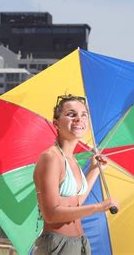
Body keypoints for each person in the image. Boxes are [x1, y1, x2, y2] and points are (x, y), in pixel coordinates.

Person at [32, 94, 118, 255]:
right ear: (56, 123)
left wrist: (93, 170)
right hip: (58, 245)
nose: (79, 119)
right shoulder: (51, 158)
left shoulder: (72, 160)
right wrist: (99, 207)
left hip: (81, 243)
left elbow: (75, 202)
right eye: (71, 114)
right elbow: (51, 214)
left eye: (83, 114)